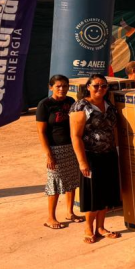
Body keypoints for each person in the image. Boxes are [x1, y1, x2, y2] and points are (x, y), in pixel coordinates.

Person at [69, 74, 122, 244]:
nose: (100, 89)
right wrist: (82, 162)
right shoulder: (81, 106)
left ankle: (101, 227)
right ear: (88, 87)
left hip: (109, 155)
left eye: (104, 86)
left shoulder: (109, 105)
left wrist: (117, 150)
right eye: (96, 85)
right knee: (93, 195)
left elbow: (113, 129)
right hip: (91, 156)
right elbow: (75, 136)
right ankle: (88, 228)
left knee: (105, 194)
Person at [37, 75, 82, 230]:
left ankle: (70, 212)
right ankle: (50, 217)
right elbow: (41, 132)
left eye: (64, 86)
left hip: (72, 146)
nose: (62, 89)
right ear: (51, 87)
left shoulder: (70, 101)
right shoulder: (44, 104)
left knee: (72, 179)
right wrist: (48, 154)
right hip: (55, 149)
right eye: (58, 86)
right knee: (54, 182)